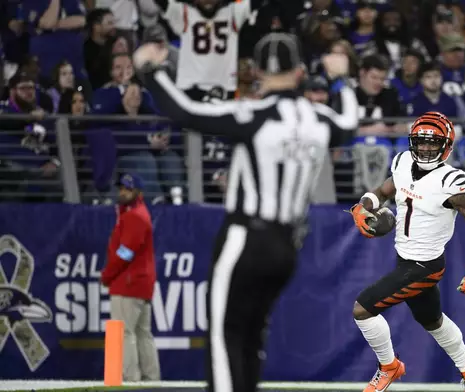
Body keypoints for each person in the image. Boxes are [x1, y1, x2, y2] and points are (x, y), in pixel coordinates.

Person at [131, 32, 358, 392]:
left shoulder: (253, 114)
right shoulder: (318, 119)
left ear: (254, 71)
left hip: (246, 236)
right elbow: (348, 125)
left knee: (226, 333)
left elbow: (186, 112)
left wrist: (151, 70)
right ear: (300, 72)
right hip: (286, 246)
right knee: (252, 335)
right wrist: (341, 79)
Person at [349, 112, 465, 392]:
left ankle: (389, 366)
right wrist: (362, 205)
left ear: (446, 145)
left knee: (362, 309)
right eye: (421, 142)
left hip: (424, 266)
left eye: (432, 143)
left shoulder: (451, 182)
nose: (425, 148)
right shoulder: (403, 161)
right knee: (432, 320)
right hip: (405, 258)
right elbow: (384, 190)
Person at [100, 173, 161, 381]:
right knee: (143, 332)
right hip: (138, 282)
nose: (123, 192)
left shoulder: (135, 216)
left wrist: (108, 274)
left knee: (123, 332)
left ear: (138, 192)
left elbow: (126, 253)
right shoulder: (135, 213)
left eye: (128, 188)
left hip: (128, 282)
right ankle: (151, 379)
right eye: (121, 188)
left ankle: (129, 379)